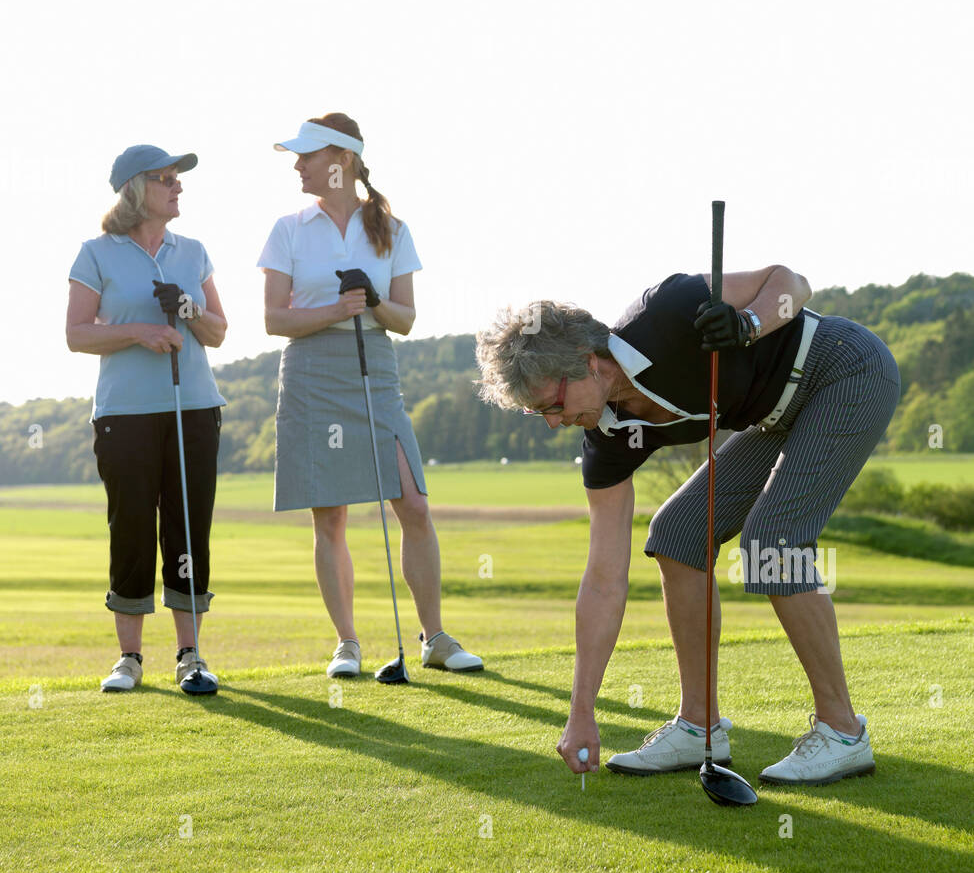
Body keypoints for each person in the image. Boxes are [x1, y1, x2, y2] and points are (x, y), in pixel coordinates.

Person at [476, 267, 900, 786]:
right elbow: (604, 578)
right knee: (676, 535)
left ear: (587, 364)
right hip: (776, 415)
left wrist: (746, 324)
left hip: (844, 369)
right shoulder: (607, 440)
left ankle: (843, 732)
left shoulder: (668, 311)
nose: (551, 422)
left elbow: (792, 282)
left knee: (773, 540)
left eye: (552, 404)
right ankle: (700, 725)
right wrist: (581, 710)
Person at [258, 112, 482, 678]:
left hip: (374, 367)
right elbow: (273, 319)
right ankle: (348, 644)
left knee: (412, 502)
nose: (298, 165)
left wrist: (371, 300)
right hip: (311, 370)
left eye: (307, 156)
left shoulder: (392, 228)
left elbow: (405, 318)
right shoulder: (288, 228)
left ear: (342, 161)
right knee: (330, 514)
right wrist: (336, 309)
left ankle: (433, 637)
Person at [66, 145, 228, 693]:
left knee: (187, 529)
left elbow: (217, 331)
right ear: (137, 189)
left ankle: (190, 655)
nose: (178, 187)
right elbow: (77, 334)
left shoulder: (194, 250)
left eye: (179, 180)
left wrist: (187, 308)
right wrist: (140, 331)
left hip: (195, 407)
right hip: (125, 414)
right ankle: (130, 659)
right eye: (167, 179)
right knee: (131, 528)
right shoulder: (96, 253)